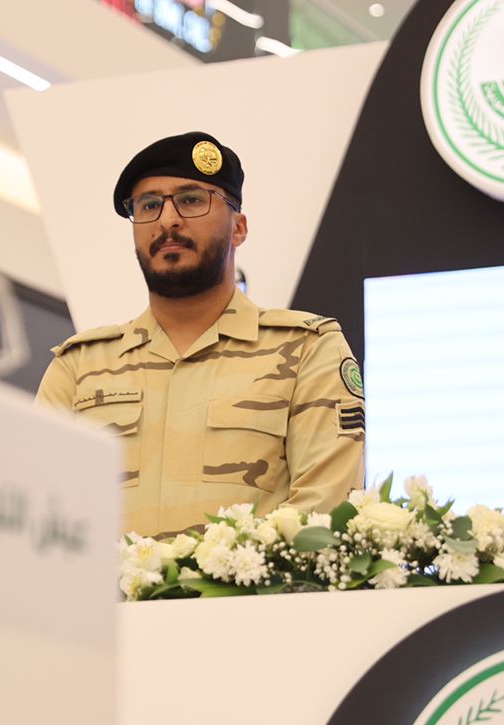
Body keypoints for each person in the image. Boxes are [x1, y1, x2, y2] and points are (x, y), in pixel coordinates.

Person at [35, 131, 365, 539]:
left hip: (250, 582)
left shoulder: (306, 350)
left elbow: (323, 515)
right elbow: (36, 508)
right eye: (149, 205)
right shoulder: (79, 368)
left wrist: (209, 572)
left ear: (238, 228)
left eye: (191, 200)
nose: (167, 220)